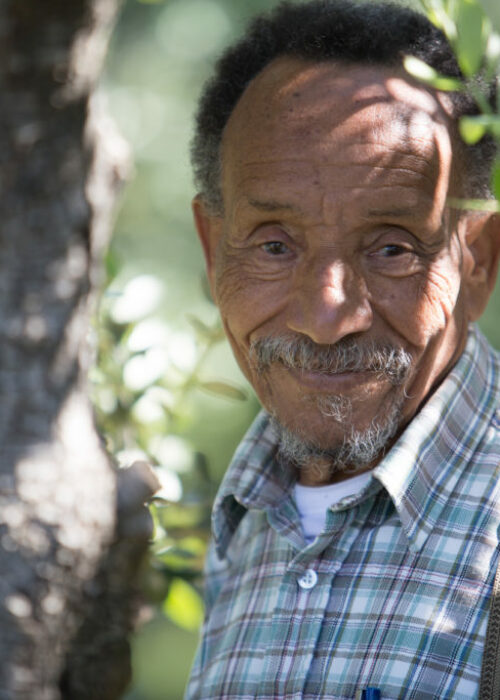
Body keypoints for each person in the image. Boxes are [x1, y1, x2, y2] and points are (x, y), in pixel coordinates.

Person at [186, 1, 500, 697]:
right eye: (274, 245)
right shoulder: (242, 526)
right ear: (214, 250)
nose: (328, 318)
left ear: (476, 257)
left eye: (391, 248)